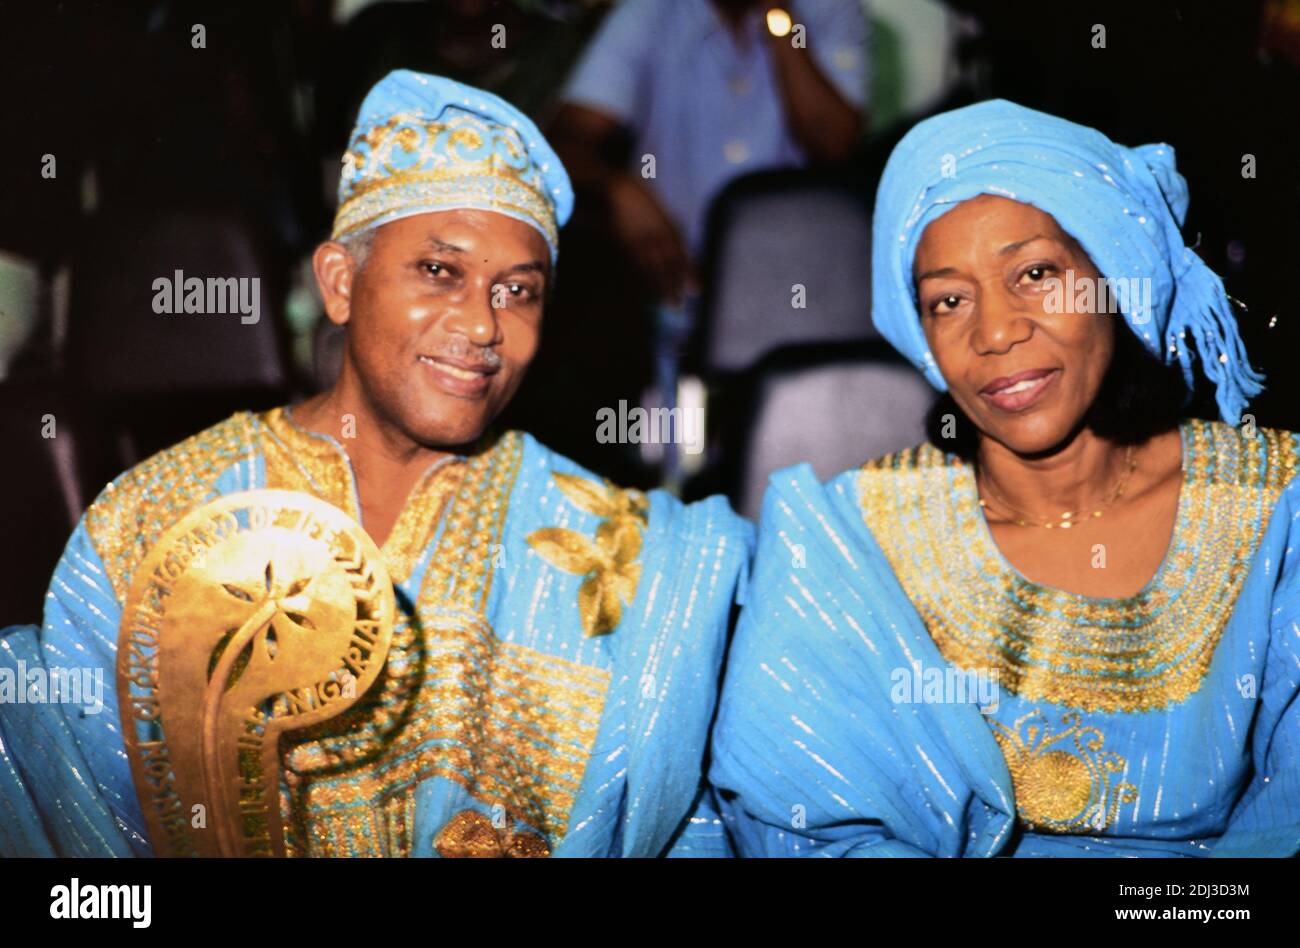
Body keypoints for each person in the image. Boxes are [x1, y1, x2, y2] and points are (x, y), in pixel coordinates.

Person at [0, 71, 751, 858]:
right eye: (439, 272)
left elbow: (685, 831)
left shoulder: (623, 549)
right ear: (339, 282)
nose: (481, 324)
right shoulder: (155, 520)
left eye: (518, 291)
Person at [708, 100, 1300, 857]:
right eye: (948, 301)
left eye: (1035, 273)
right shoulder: (847, 541)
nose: (993, 333)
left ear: (1113, 277)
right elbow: (813, 829)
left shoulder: (1274, 507)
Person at [551, 0, 871, 303]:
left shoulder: (829, 10)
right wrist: (615, 186)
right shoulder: (650, 12)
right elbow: (568, 139)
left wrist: (779, 19)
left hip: (798, 288)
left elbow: (834, 145)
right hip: (677, 290)